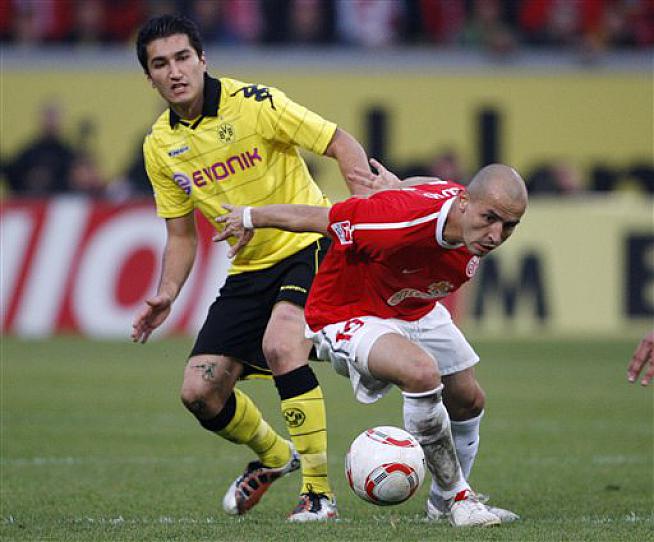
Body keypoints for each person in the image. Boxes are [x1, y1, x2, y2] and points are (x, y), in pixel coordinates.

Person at [130, 14, 369, 521]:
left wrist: (365, 205)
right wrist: (167, 292)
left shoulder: (257, 104)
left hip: (307, 244)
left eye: (182, 58)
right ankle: (276, 456)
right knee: (200, 391)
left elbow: (339, 142)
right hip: (249, 270)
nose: (175, 72)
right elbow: (181, 235)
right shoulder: (159, 147)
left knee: (282, 344)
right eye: (161, 64)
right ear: (149, 78)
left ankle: (318, 495)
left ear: (203, 59)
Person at [216, 160, 528, 527]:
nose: (495, 234)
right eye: (489, 218)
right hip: (349, 310)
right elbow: (321, 218)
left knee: (468, 398)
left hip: (412, 305)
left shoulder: (463, 206)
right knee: (421, 373)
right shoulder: (391, 221)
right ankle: (460, 496)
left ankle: (443, 503)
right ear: (464, 203)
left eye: (509, 225)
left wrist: (399, 184)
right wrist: (249, 216)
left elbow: (431, 182)